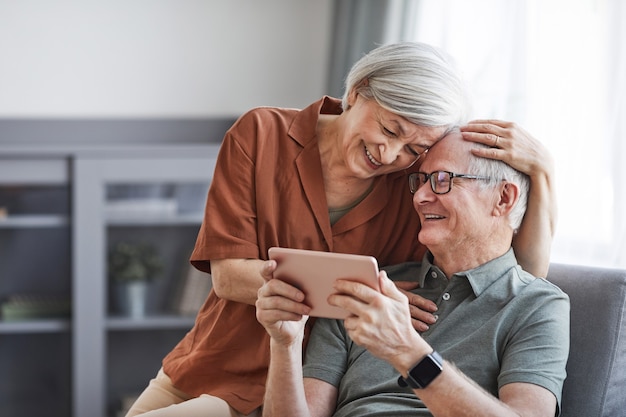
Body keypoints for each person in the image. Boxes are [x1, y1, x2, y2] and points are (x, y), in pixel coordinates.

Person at [125, 42, 557, 417]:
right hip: (213, 360)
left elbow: (518, 274)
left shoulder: (410, 188)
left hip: (292, 388)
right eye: (390, 129)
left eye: (414, 149)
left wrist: (543, 171)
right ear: (357, 91)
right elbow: (230, 276)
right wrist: (353, 292)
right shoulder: (260, 134)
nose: (389, 154)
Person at [256, 131, 570, 417]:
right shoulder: (367, 288)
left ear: (503, 198)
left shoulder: (538, 305)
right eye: (420, 181)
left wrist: (407, 351)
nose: (419, 197)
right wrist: (285, 344)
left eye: (442, 179)